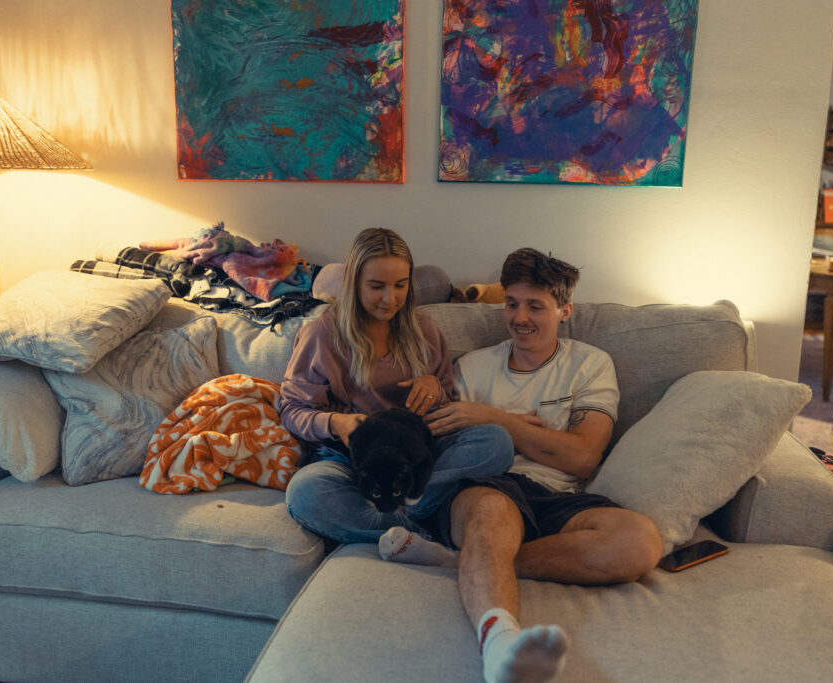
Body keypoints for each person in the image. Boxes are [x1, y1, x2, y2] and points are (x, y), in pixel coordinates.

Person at [378, 248, 664, 683]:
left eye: (536, 306)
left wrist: (498, 419)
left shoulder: (589, 364)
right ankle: (500, 646)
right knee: (491, 514)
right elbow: (446, 447)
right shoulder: (472, 369)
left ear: (564, 311)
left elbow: (584, 456)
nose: (520, 317)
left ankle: (460, 562)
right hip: (487, 489)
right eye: (512, 303)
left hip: (556, 496)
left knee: (639, 542)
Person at [281, 227, 514, 544]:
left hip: (418, 458)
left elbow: (445, 404)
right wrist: (336, 423)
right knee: (305, 494)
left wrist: (433, 386)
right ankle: (428, 533)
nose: (391, 298)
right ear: (355, 283)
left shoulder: (425, 331)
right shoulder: (321, 334)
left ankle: (400, 520)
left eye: (400, 285)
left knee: (496, 441)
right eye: (377, 286)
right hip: (353, 461)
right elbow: (292, 410)